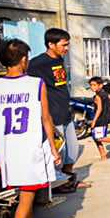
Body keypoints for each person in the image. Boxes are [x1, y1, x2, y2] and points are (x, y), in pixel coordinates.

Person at [0, 39, 62, 218]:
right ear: (23, 60)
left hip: (7, 149)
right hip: (29, 147)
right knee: (28, 194)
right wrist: (53, 147)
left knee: (23, 193)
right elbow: (46, 118)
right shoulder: (35, 84)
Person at [27, 27, 83, 192]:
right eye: (64, 45)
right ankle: (56, 185)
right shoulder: (37, 64)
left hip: (65, 114)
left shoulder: (59, 60)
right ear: (51, 44)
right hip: (52, 116)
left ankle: (67, 180)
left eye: (67, 45)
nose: (66, 48)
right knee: (57, 153)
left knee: (72, 151)